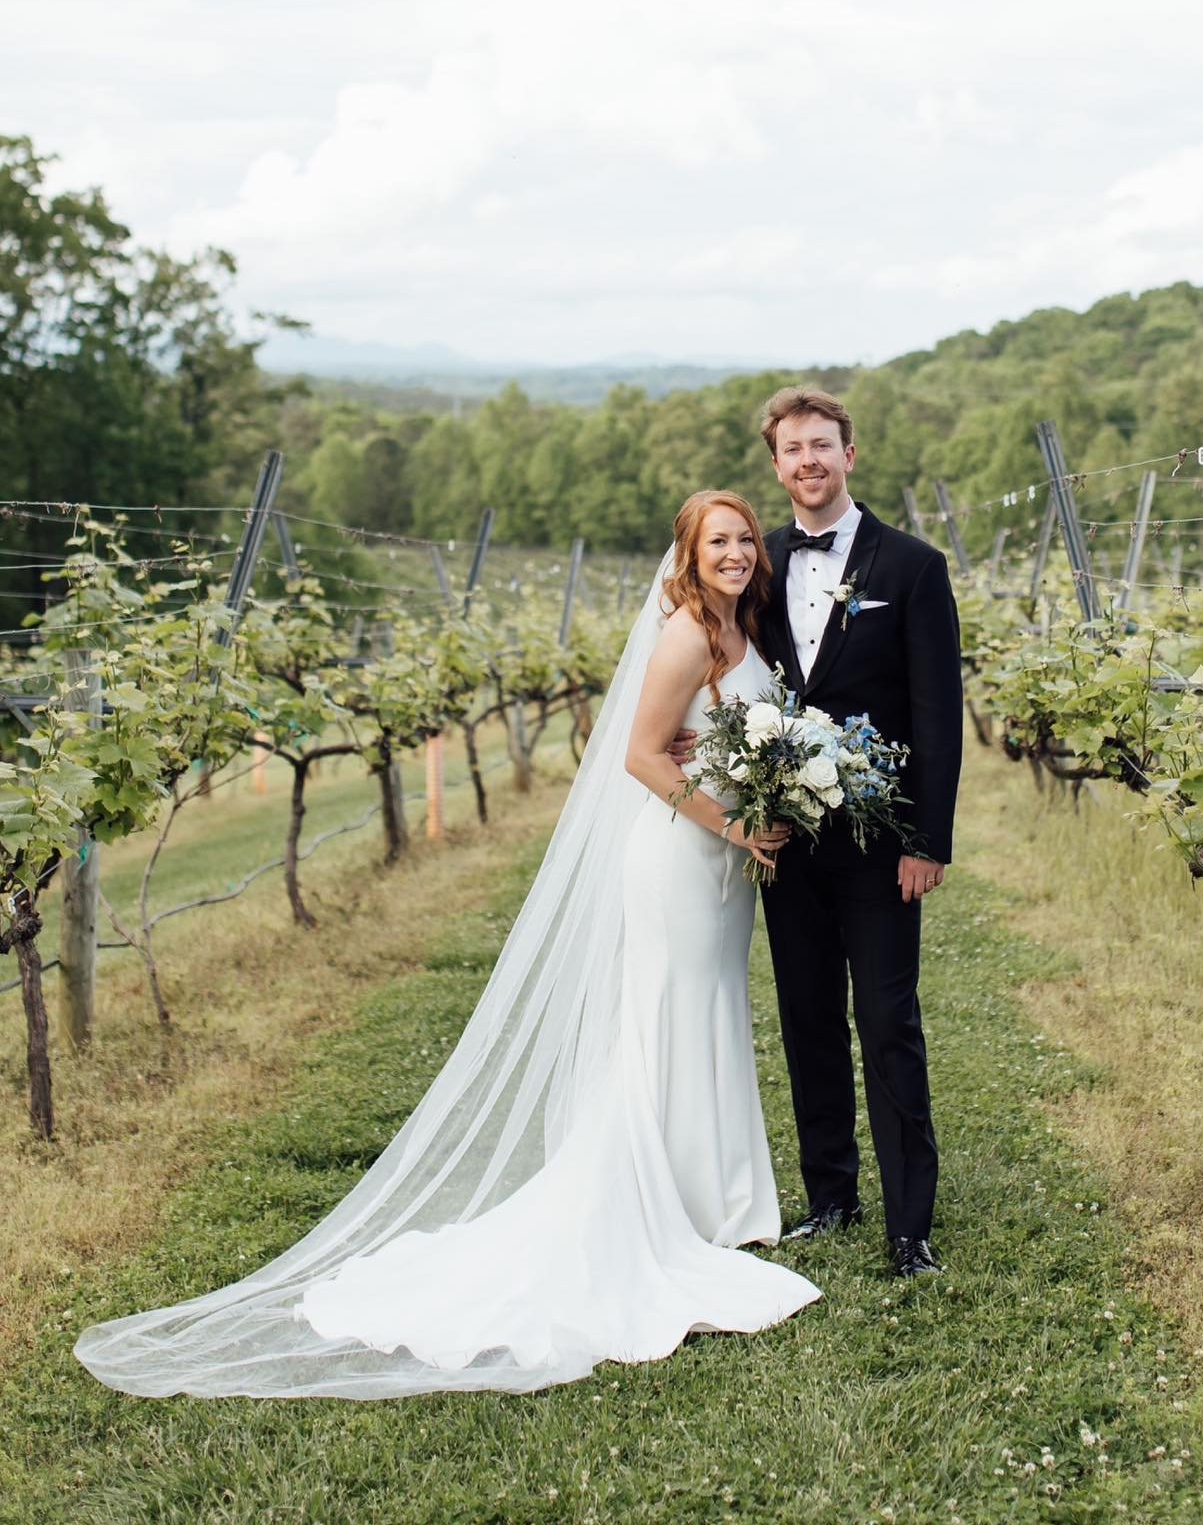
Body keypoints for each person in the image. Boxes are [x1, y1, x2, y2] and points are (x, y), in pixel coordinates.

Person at [74, 491, 819, 1399]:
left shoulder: (746, 635)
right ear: (689, 556)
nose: (737, 553)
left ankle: (717, 1201)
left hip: (721, 865)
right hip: (678, 857)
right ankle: (668, 1207)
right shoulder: (685, 639)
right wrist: (735, 827)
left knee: (708, 1012)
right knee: (665, 1017)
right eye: (719, 543)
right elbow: (641, 756)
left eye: (746, 539)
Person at [677, 388, 963, 1278]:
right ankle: (831, 1195)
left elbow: (937, 713)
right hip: (785, 838)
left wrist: (929, 840)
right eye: (791, 449)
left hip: (881, 841)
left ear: (849, 455)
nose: (806, 462)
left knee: (886, 1020)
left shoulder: (912, 566)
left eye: (821, 446)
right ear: (776, 465)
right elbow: (725, 670)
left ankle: (909, 1222)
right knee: (805, 1018)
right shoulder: (752, 565)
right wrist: (700, 738)